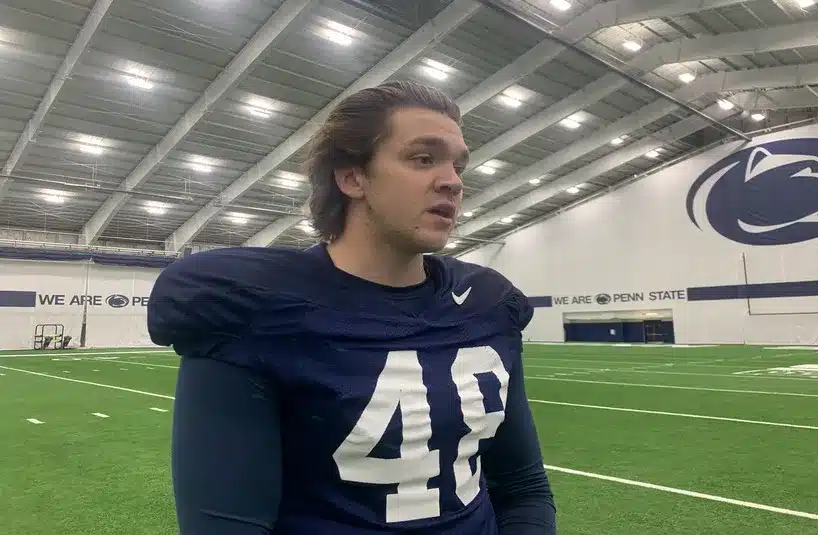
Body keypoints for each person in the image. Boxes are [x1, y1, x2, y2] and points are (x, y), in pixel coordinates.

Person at [147, 80, 557, 534]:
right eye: (423, 159)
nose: (453, 182)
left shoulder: (486, 304)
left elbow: (522, 487)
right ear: (351, 178)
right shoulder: (255, 308)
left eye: (458, 165)